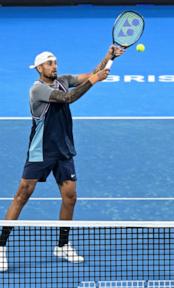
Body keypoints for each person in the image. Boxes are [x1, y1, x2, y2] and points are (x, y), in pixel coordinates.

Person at [0, 45, 125, 271]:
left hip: (64, 150)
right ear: (39, 68)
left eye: (55, 62)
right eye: (49, 63)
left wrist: (108, 57)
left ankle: (62, 245)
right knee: (22, 195)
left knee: (70, 197)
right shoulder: (37, 89)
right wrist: (95, 80)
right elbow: (68, 98)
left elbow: (90, 74)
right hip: (41, 152)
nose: (54, 66)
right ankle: (1, 247)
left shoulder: (64, 79)